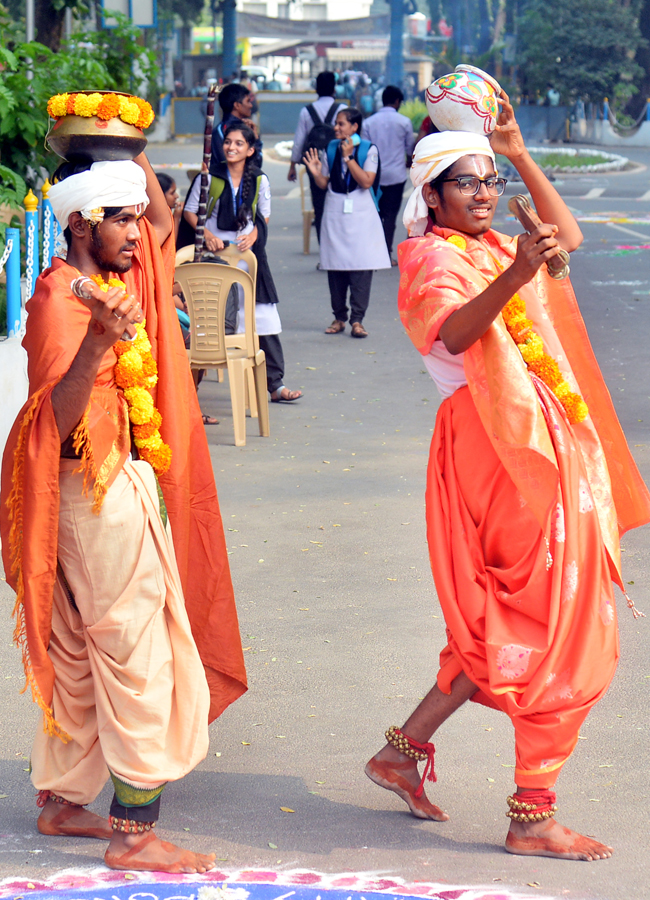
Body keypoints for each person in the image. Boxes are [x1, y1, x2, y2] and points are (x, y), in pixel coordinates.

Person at [365, 92, 650, 860]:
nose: (486, 194)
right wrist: (516, 271)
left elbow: (573, 237)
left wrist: (520, 151)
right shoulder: (432, 257)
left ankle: (402, 751)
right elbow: (454, 331)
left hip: (536, 438)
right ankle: (532, 816)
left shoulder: (492, 242)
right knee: (557, 621)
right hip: (496, 447)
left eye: (491, 180)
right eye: (469, 182)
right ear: (431, 195)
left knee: (511, 618)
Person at [0, 150, 248, 872]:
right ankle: (135, 836)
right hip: (91, 494)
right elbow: (55, 417)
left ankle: (62, 801)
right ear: (81, 224)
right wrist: (101, 343)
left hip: (112, 487)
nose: (140, 234)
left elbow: (165, 234)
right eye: (125, 220)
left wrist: (132, 152)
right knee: (142, 655)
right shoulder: (61, 301)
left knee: (80, 655)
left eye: (141, 217)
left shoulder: (101, 281)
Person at [184, 123, 302, 402]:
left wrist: (253, 235)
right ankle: (193, 390)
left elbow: (264, 217)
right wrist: (208, 236)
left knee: (263, 318)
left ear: (250, 150)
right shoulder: (208, 177)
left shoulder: (260, 180)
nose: (231, 148)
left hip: (248, 257)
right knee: (213, 320)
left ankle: (275, 384)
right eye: (229, 142)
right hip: (217, 257)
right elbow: (190, 213)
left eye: (239, 144)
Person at [303, 107, 390, 338]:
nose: (336, 128)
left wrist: (348, 157)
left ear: (354, 127)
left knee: (362, 267)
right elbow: (325, 183)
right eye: (336, 124)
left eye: (341, 124)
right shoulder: (330, 148)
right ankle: (339, 317)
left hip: (361, 211)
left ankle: (357, 320)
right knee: (335, 265)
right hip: (335, 210)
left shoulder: (369, 149)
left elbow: (366, 182)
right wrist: (315, 173)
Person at [288, 71, 347, 246]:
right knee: (340, 202)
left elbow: (299, 140)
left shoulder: (307, 111)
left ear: (316, 88)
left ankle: (324, 250)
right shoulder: (342, 110)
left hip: (314, 163)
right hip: (339, 162)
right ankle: (339, 245)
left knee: (319, 206)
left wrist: (292, 165)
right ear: (334, 89)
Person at [362, 85, 415, 265]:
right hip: (396, 176)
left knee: (374, 215)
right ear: (397, 101)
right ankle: (385, 253)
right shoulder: (404, 122)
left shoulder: (368, 122)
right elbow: (410, 149)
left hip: (372, 176)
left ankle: (371, 253)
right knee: (390, 216)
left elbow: (365, 149)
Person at [210, 83, 262, 170]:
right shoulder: (221, 131)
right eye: (248, 101)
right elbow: (230, 165)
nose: (251, 105)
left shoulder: (247, 128)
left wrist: (255, 138)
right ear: (237, 105)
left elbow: (257, 163)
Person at [155, 172, 182, 240]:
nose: (176, 196)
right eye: (172, 193)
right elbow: (171, 244)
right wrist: (176, 217)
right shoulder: (157, 218)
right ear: (161, 195)